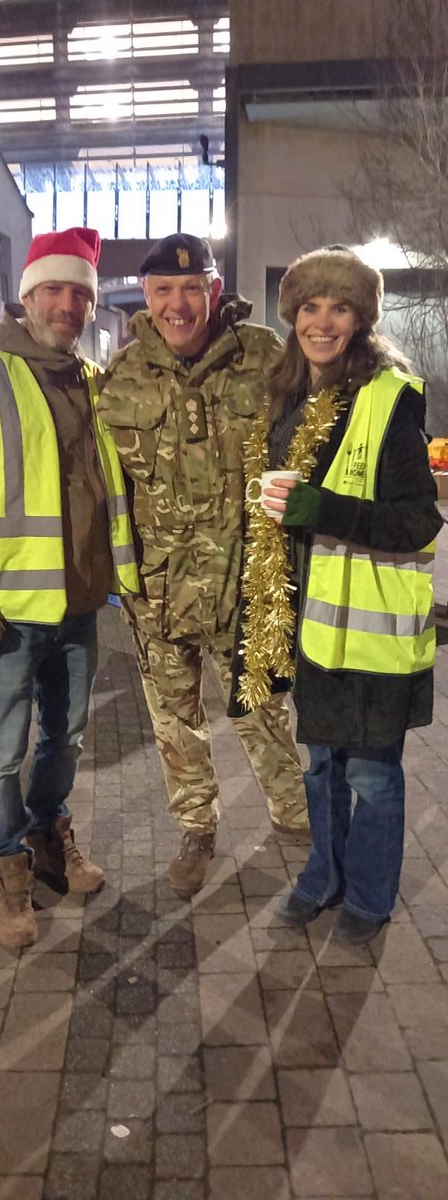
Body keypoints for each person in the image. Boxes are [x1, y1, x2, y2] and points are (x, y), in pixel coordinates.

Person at [0, 227, 139, 949]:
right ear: (28, 297)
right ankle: (6, 869)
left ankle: (48, 833)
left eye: (81, 293)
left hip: (79, 609)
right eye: (56, 289)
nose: (70, 305)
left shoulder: (87, 380)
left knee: (67, 740)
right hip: (8, 616)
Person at [235, 245, 443, 944]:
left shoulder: (389, 399)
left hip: (374, 631)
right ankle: (322, 878)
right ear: (293, 316)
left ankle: (369, 897)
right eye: (310, 308)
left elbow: (420, 522)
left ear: (361, 318)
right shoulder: (286, 395)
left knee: (374, 777)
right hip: (308, 623)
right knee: (320, 766)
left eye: (340, 307)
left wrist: (324, 511)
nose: (322, 322)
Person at [97, 232, 308, 901]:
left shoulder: (265, 360)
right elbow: (101, 485)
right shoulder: (122, 377)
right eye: (164, 291)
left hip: (243, 587)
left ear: (214, 290)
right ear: (147, 297)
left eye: (193, 288)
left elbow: (312, 436)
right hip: (156, 594)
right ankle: (196, 827)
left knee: (262, 710)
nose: (179, 304)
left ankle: (294, 815)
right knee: (174, 722)